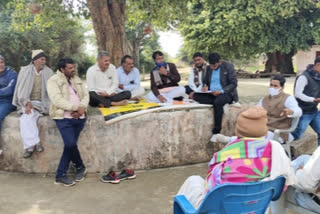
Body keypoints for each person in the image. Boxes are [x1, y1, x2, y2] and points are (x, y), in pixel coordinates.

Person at [176, 106, 295, 209]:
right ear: (265, 132)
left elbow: (212, 189)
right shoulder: (276, 152)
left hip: (222, 209)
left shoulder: (226, 156)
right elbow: (280, 188)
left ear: (238, 131)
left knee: (193, 180)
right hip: (256, 207)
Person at [47, 57, 89, 187]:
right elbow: (57, 100)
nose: (73, 70)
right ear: (62, 69)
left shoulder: (76, 79)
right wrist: (75, 108)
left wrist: (81, 109)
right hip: (63, 117)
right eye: (70, 68)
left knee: (70, 145)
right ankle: (61, 174)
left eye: (73, 67)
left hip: (80, 118)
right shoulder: (53, 81)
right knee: (70, 144)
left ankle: (80, 167)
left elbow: (86, 95)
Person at [12, 50, 53, 158]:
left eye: (45, 59)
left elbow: (52, 92)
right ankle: (36, 144)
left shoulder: (49, 72)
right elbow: (20, 90)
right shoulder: (24, 71)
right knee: (28, 116)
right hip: (27, 101)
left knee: (26, 117)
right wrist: (27, 102)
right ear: (35, 60)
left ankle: (29, 147)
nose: (44, 61)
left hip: (43, 102)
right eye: (42, 59)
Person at [190, 52, 238, 135]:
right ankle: (217, 101)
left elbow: (234, 83)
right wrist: (205, 86)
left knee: (217, 102)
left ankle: (217, 130)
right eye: (211, 66)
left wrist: (221, 91)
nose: (212, 68)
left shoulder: (228, 66)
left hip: (226, 93)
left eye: (214, 66)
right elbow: (205, 81)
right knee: (195, 95)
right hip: (212, 93)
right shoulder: (209, 68)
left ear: (219, 62)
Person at [257, 74, 302, 143]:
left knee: (261, 139)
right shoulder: (264, 99)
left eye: (275, 86)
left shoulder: (288, 98)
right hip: (264, 129)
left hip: (279, 133)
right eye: (271, 85)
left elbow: (299, 111)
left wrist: (291, 112)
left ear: (282, 87)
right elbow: (256, 110)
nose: (272, 88)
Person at [292, 57, 320, 146]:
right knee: (296, 135)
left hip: (314, 111)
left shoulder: (318, 77)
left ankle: (318, 156)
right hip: (303, 112)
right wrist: (313, 99)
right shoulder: (303, 77)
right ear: (318, 65)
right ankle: (281, 149)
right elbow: (297, 94)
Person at [0, 55, 17, 155]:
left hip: (7, 101)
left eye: (1, 62)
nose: (0, 65)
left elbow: (9, 90)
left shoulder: (12, 73)